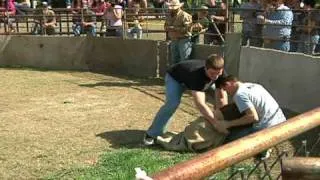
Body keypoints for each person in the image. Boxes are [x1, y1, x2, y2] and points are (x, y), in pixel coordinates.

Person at [143, 54, 229, 146]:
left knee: (218, 99)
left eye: (218, 73)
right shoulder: (196, 76)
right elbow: (200, 103)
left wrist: (223, 119)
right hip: (176, 79)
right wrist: (215, 123)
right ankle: (152, 134)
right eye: (212, 73)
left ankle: (216, 131)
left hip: (196, 80)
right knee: (172, 103)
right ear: (205, 68)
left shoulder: (221, 74)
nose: (216, 77)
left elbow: (221, 97)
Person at [215, 75, 287, 143]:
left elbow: (253, 117)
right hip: (282, 122)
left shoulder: (239, 94)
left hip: (268, 129)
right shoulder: (255, 86)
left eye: (226, 90)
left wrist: (228, 124)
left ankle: (262, 151)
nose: (227, 93)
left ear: (228, 84)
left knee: (230, 140)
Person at [164, 0, 192, 64]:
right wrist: (167, 28)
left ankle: (183, 73)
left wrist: (175, 28)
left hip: (183, 39)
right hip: (174, 39)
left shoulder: (185, 15)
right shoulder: (169, 16)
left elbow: (188, 28)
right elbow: (165, 26)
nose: (172, 10)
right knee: (174, 59)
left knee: (184, 59)